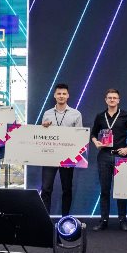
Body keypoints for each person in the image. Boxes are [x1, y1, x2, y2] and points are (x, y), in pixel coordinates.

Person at [89, 88, 127, 230]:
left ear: (118, 100)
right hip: (104, 155)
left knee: (122, 190)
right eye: (110, 97)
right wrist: (96, 142)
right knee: (104, 190)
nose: (112, 100)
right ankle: (103, 220)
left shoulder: (126, 115)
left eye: (115, 98)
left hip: (121, 155)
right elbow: (93, 134)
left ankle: (122, 220)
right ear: (106, 100)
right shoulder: (100, 116)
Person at [40, 83, 83, 216]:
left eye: (64, 94)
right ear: (54, 95)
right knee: (46, 188)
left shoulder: (76, 114)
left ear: (68, 96)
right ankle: (45, 219)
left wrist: (73, 157)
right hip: (50, 156)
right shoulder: (47, 114)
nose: (61, 96)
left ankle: (65, 219)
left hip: (67, 158)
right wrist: (43, 128)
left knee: (67, 189)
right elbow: (42, 137)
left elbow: (80, 138)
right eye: (59, 93)